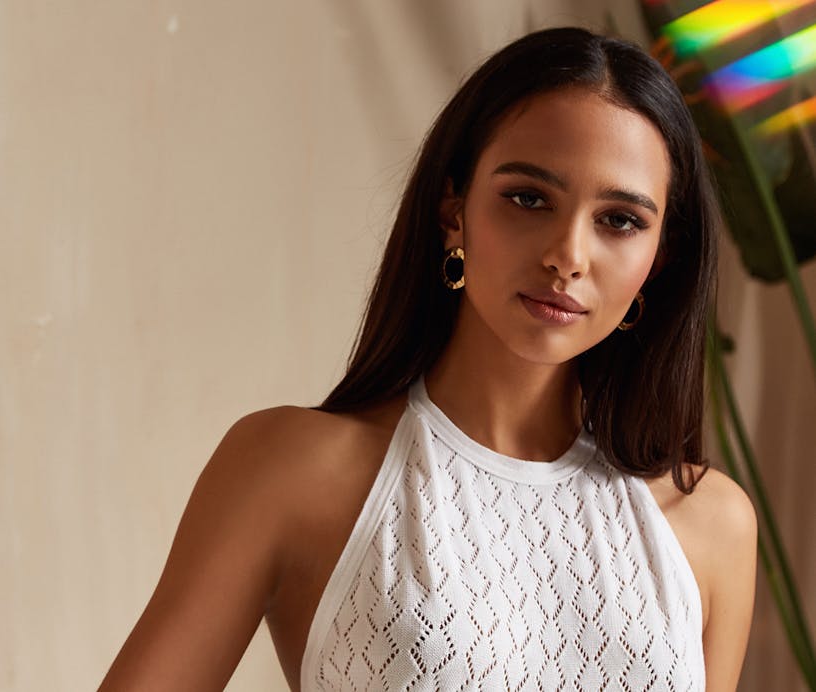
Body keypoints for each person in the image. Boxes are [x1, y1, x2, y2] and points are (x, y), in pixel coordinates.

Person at [99, 26, 758, 692]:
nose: (568, 256)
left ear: (659, 259)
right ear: (454, 210)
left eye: (619, 220)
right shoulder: (293, 470)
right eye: (529, 198)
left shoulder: (711, 525)